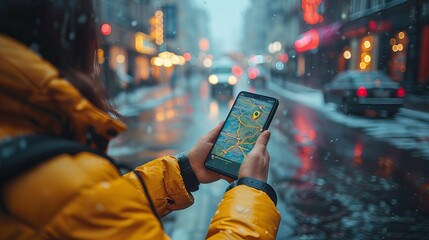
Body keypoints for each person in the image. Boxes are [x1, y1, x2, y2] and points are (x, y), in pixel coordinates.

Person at [0, 1, 281, 239]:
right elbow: (85, 204)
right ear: (67, 41)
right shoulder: (64, 182)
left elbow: (98, 206)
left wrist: (185, 170)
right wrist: (251, 192)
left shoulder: (24, 142)